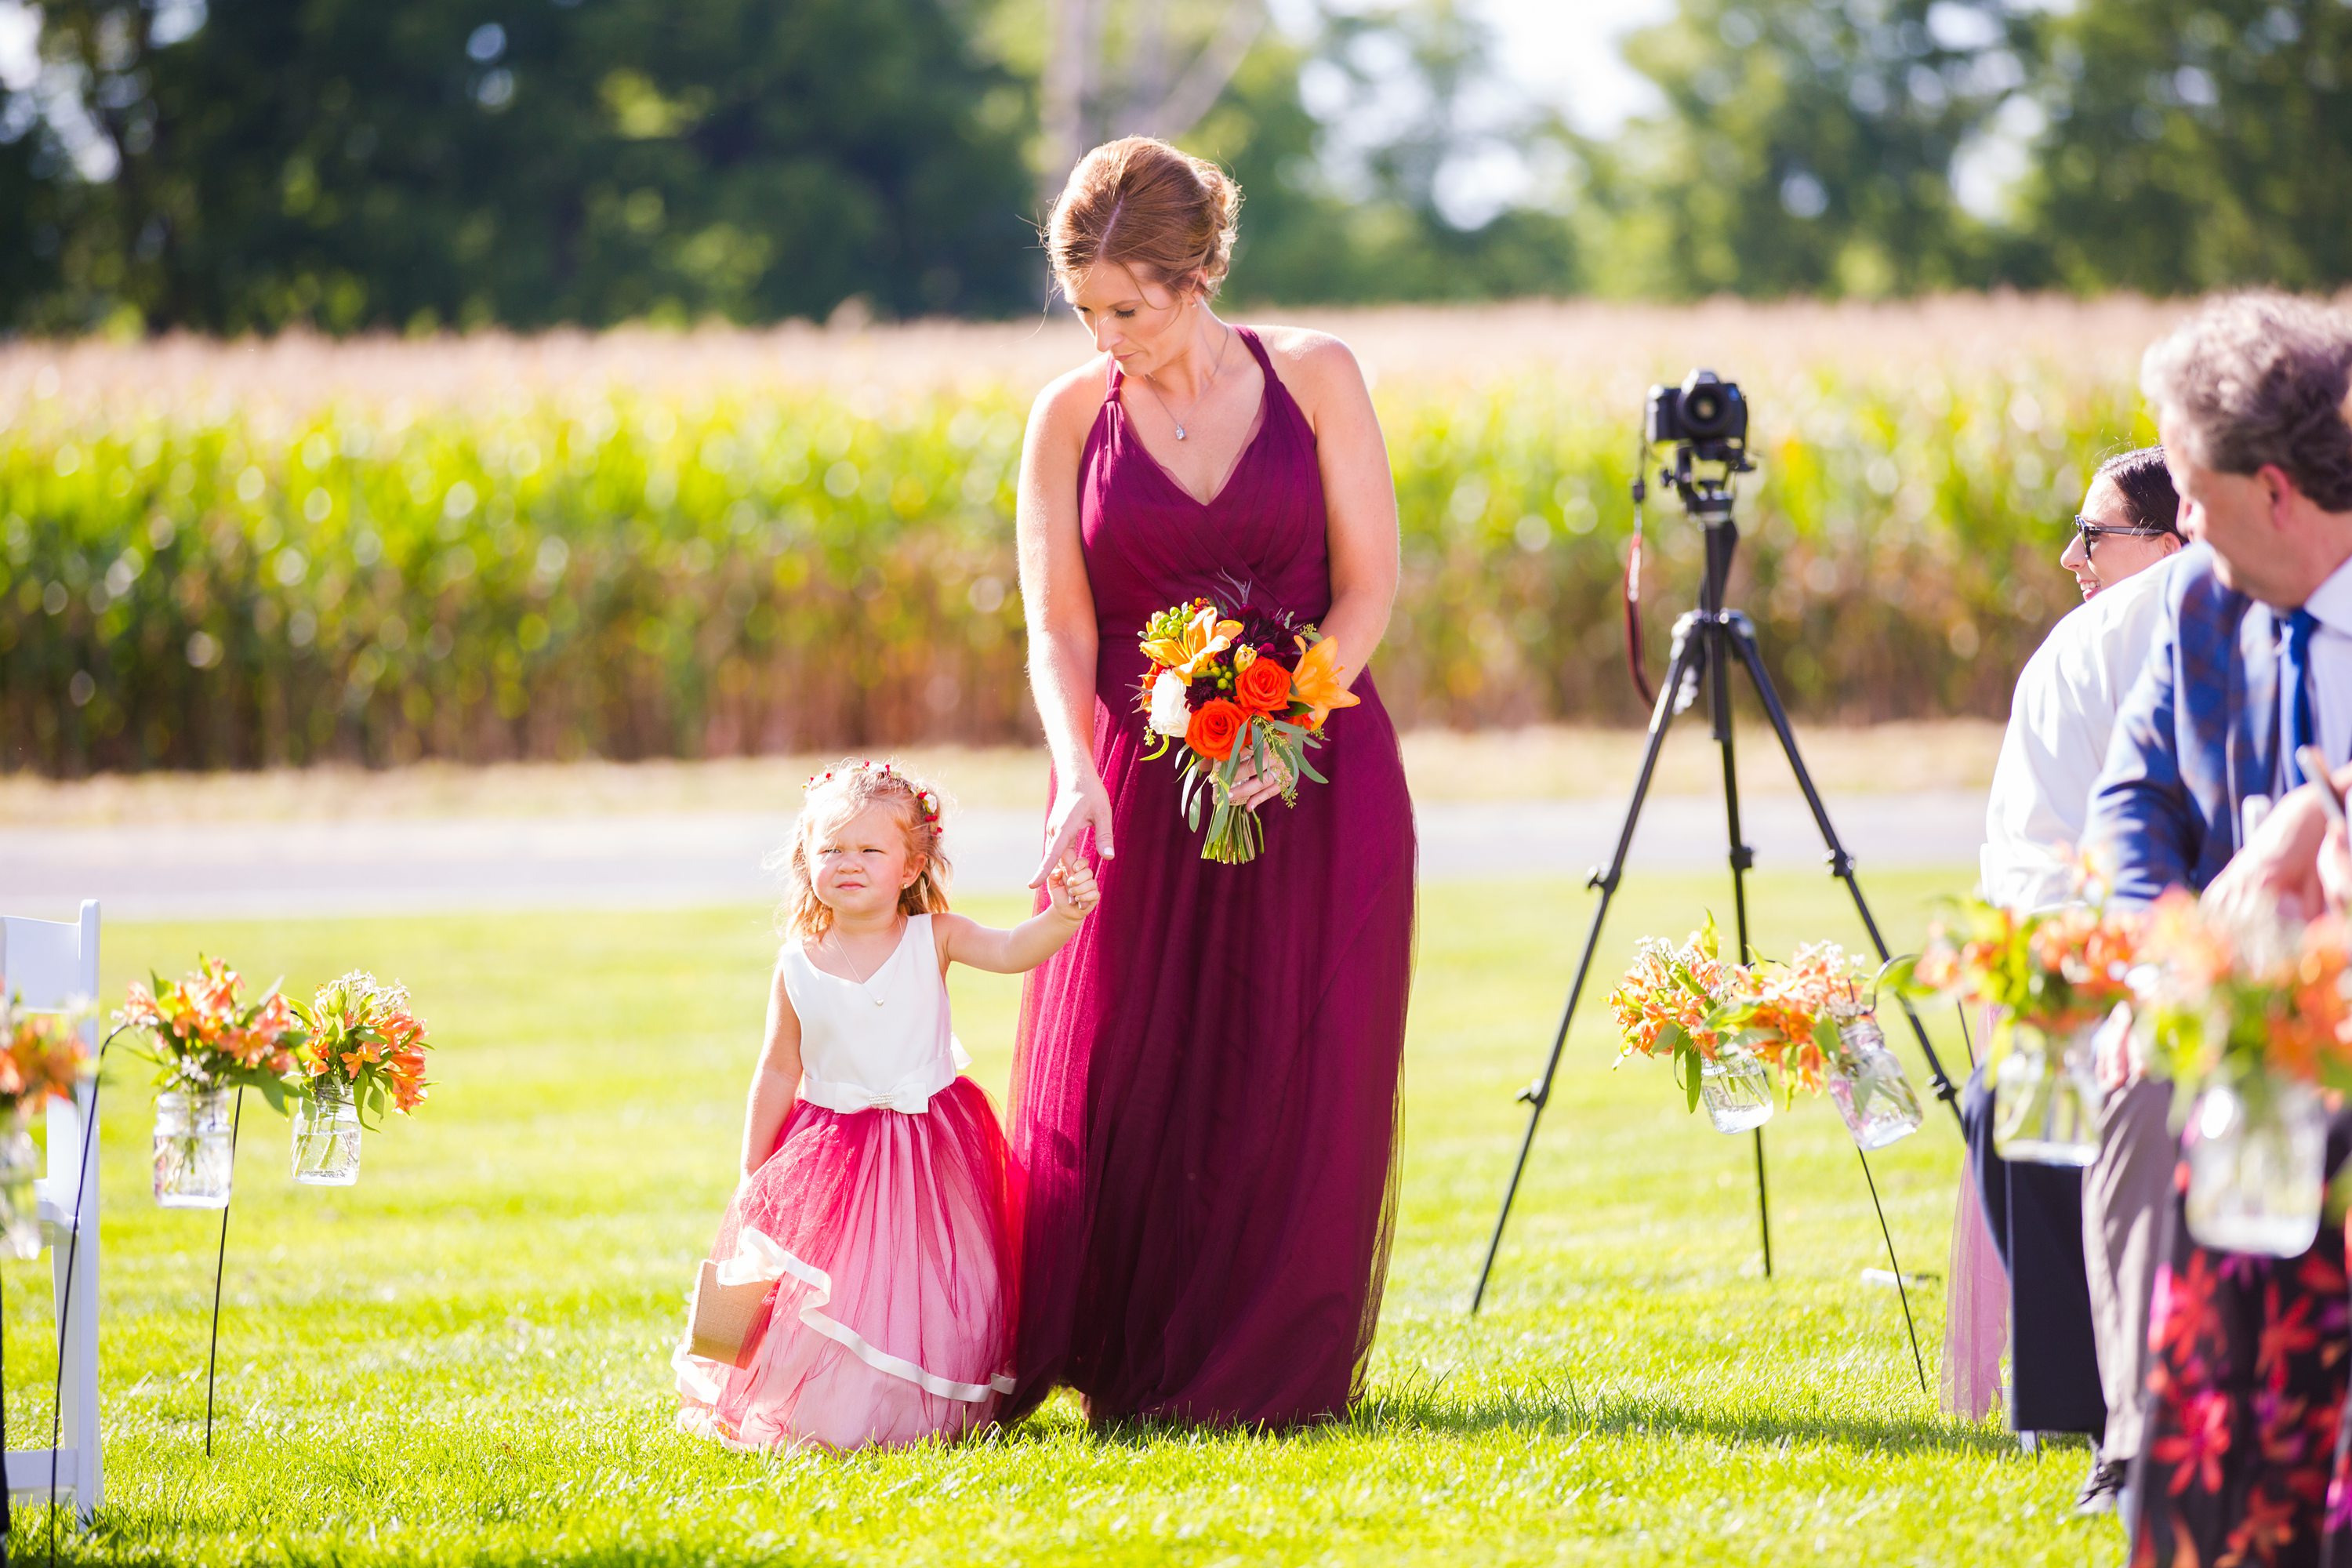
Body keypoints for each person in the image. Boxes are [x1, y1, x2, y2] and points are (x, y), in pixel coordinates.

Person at [1007, 136, 1416, 1427]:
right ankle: (1126, 1361)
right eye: (1084, 312)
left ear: (1199, 277)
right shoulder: (1069, 417)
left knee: (1293, 1066)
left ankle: (1263, 1366)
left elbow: (1369, 590)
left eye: (1127, 308)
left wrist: (1276, 722)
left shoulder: (1317, 376)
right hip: (1134, 777)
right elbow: (1059, 634)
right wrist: (1077, 777)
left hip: (1316, 768)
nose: (1105, 336)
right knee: (1129, 1068)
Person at [2083, 292, 2352, 1566]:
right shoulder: (2201, 608)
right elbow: (2133, 798)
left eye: (2191, 490)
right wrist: (2161, 959)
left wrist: (2320, 815)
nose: (2179, 522)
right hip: (2250, 1048)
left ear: (2278, 489)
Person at [674, 760, 1099, 1451]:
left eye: (870, 850)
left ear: (910, 867)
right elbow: (779, 1068)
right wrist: (753, 1169)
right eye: (831, 849)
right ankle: (835, 1406)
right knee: (838, 1285)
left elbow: (1015, 950)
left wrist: (1063, 914)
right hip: (832, 1151)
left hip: (934, 1145)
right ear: (805, 860)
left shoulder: (935, 936)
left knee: (940, 1276)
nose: (849, 863)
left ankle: (924, 1405)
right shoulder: (798, 963)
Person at [1963, 447, 2183, 1515]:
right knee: (2012, 1091)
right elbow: (2033, 859)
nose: (2072, 556)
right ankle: (2094, 1405)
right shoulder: (2081, 657)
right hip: (2111, 966)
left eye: (2093, 536)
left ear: (2171, 541)